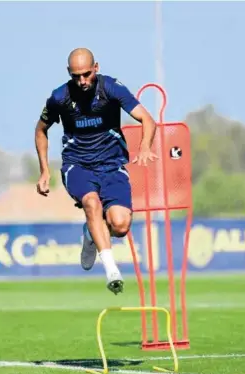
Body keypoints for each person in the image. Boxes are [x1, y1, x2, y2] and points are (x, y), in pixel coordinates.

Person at [35, 48, 157, 295]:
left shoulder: (112, 88)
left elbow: (147, 119)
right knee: (91, 202)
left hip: (112, 166)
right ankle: (112, 270)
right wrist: (44, 171)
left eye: (87, 74)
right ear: (69, 73)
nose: (82, 81)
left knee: (120, 226)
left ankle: (91, 232)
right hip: (77, 166)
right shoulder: (59, 97)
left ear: (96, 68)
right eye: (76, 76)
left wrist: (144, 147)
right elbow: (40, 130)